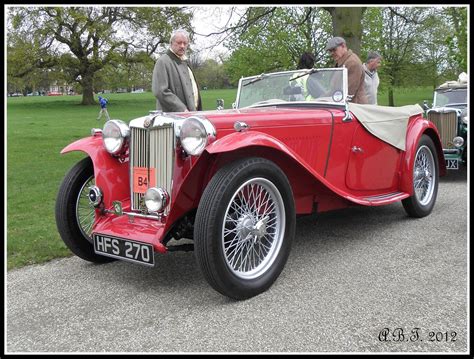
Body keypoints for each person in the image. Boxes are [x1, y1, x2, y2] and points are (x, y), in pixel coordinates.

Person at [152, 29, 202, 112]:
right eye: (179, 42)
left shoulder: (185, 62)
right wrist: (182, 109)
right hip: (173, 119)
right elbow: (160, 91)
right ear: (171, 43)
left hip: (191, 116)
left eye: (185, 43)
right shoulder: (163, 62)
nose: (182, 46)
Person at [326, 36, 368, 104]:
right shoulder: (341, 62)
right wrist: (320, 99)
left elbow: (349, 92)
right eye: (330, 51)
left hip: (355, 107)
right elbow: (333, 90)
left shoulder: (352, 63)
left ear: (343, 46)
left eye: (334, 50)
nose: (331, 53)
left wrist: (330, 100)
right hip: (345, 105)